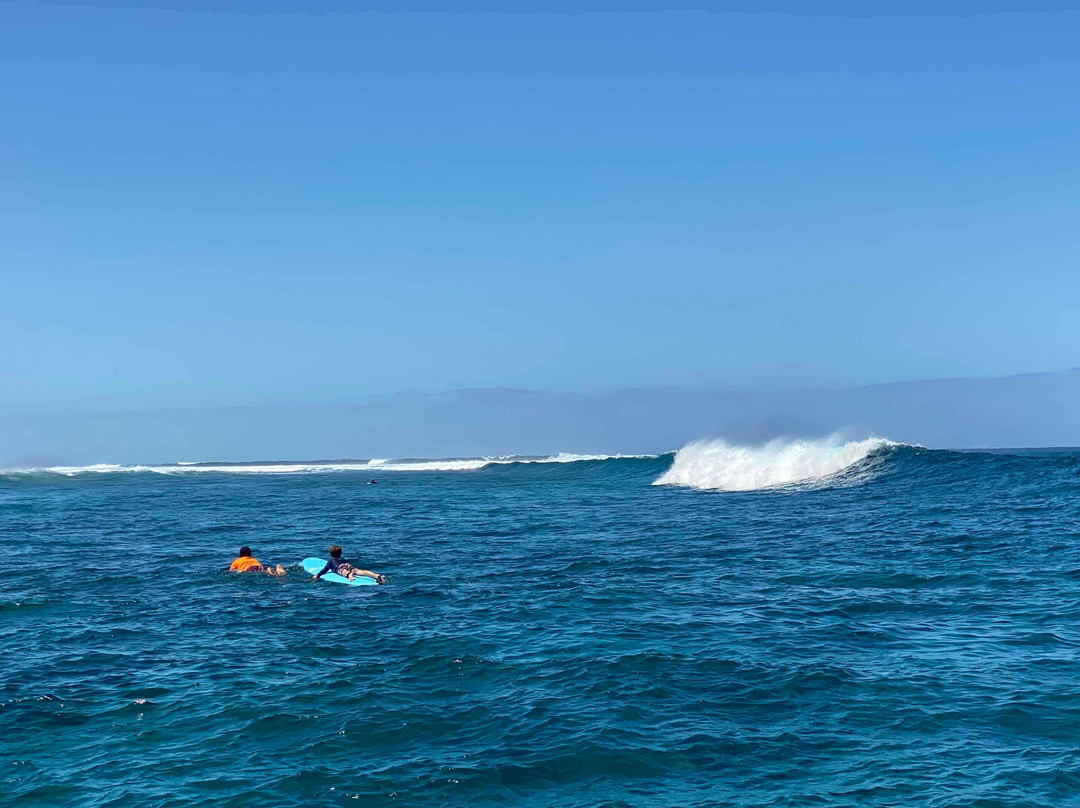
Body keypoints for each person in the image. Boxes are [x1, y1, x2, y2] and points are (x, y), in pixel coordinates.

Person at [313, 544, 385, 584]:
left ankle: (349, 574)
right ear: (340, 553)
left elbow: (325, 570)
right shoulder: (343, 559)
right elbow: (347, 565)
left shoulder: (331, 561)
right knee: (361, 571)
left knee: (343, 571)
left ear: (331, 554)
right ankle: (375, 575)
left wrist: (317, 575)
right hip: (347, 565)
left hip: (340, 568)